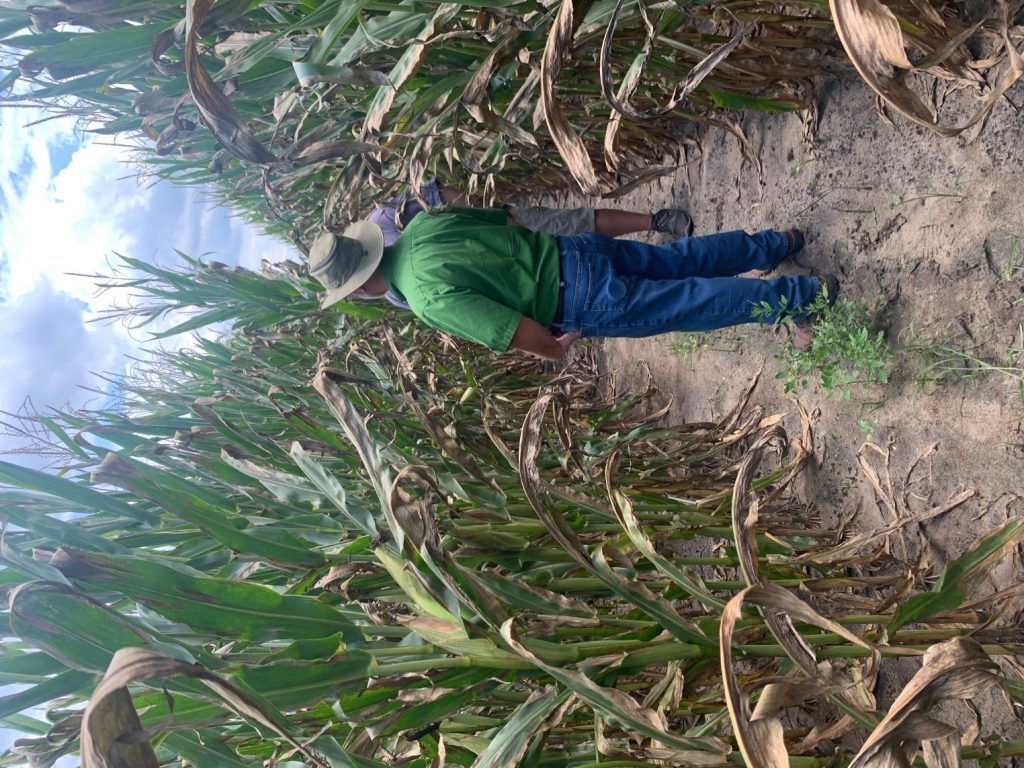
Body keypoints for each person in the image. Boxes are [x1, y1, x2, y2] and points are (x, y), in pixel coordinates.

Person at [308, 208, 838, 360]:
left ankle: (803, 298)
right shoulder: (424, 225)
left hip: (574, 298)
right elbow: (508, 223)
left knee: (687, 303)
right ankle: (777, 242)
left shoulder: (423, 298)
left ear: (358, 288)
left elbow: (511, 327)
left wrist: (554, 350)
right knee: (678, 260)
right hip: (572, 250)